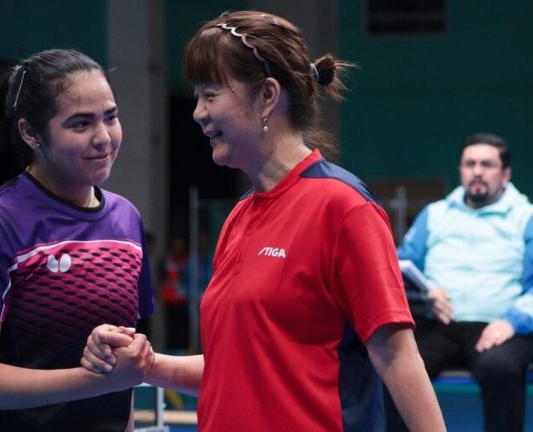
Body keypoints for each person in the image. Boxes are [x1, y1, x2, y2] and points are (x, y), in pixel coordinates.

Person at [81, 10, 446, 432]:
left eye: (211, 93)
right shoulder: (239, 216)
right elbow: (236, 369)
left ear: (267, 95)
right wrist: (144, 365)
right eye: (197, 95)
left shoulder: (344, 209)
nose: (198, 112)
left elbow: (398, 357)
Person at [0, 49, 155, 431]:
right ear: (30, 133)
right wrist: (92, 382)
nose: (103, 138)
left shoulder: (127, 221)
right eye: (80, 124)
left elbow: (121, 372)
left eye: (111, 117)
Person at [388, 133, 533, 432]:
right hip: (437, 326)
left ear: (505, 174)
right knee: (397, 361)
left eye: (487, 164)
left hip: (501, 329)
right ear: (461, 171)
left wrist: (512, 321)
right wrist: (425, 293)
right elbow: (398, 268)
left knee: (500, 367)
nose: (477, 171)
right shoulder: (434, 214)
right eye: (470, 164)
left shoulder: (528, 217)